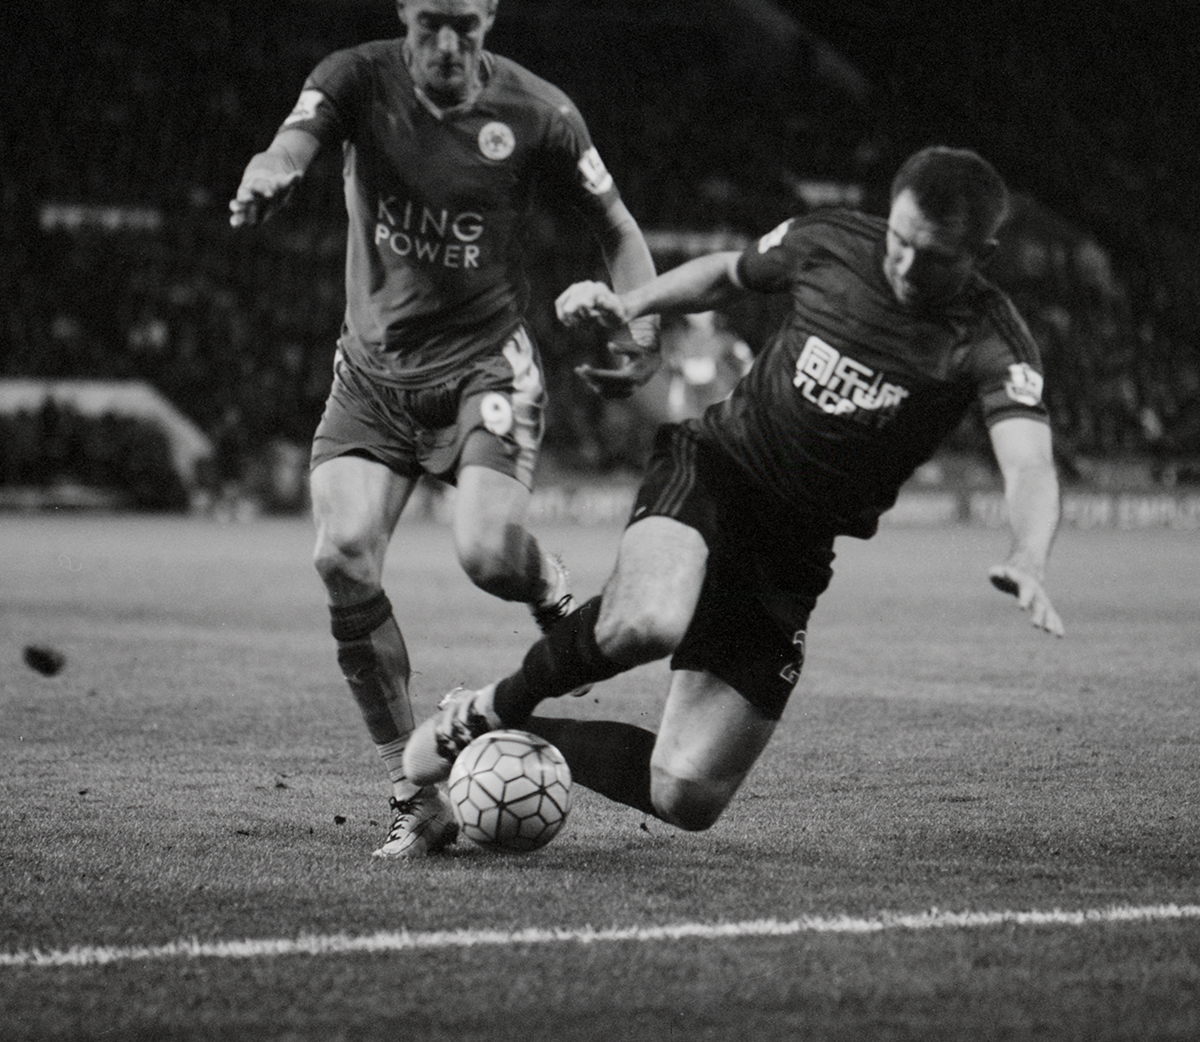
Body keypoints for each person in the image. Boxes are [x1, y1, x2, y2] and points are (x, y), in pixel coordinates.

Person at [397, 145, 1064, 847]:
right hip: (716, 470)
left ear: (982, 251)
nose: (904, 264)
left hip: (793, 553)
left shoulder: (991, 339)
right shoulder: (831, 242)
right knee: (647, 621)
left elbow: (1028, 466)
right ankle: (486, 710)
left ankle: (508, 720)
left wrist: (1028, 553)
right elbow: (727, 275)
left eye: (931, 256)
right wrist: (629, 303)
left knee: (686, 793)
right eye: (898, 239)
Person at [228, 0, 661, 858]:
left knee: (484, 553)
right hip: (373, 376)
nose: (448, 45)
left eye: (466, 24)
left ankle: (549, 588)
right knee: (340, 555)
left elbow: (619, 229)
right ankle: (410, 785)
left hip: (483, 368)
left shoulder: (541, 114)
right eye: (430, 23)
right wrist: (271, 172)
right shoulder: (354, 77)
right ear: (403, 12)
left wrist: (644, 322)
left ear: (491, 14)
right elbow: (295, 140)